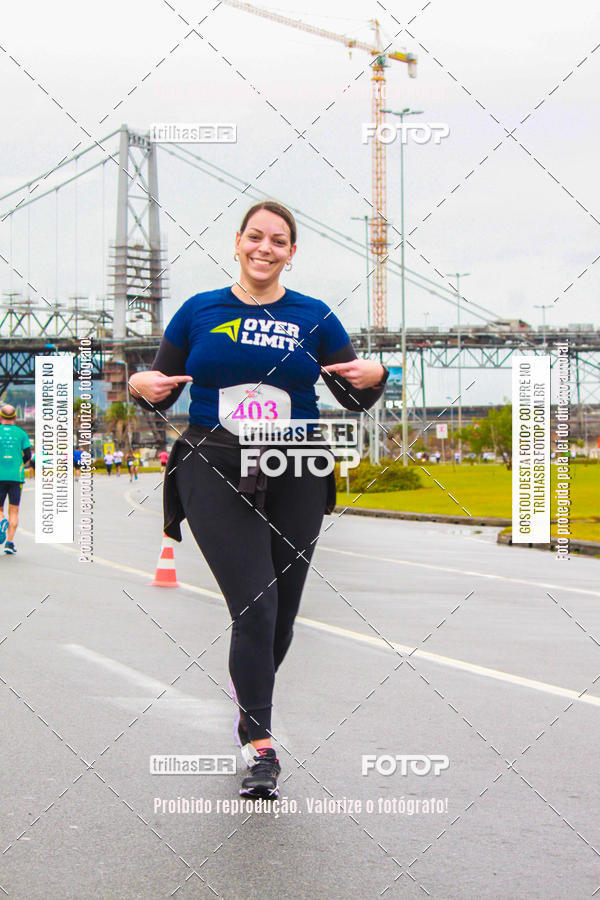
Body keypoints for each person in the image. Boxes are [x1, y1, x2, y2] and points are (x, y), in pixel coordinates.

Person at [129, 201, 388, 800]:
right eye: (255, 237)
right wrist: (143, 384)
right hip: (214, 461)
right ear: (238, 243)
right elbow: (157, 393)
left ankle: (249, 711)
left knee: (283, 613)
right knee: (256, 605)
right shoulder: (198, 311)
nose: (265, 248)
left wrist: (377, 379)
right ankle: (261, 744)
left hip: (296, 460)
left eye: (279, 240)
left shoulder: (315, 316)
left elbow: (351, 396)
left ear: (291, 252)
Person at [0, 404, 32, 555]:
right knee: (14, 510)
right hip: (16, 476)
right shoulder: (21, 433)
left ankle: (1, 521)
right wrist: (20, 463)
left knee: (0, 509)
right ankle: (9, 542)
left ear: (0, 417)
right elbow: (28, 456)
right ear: (15, 417)